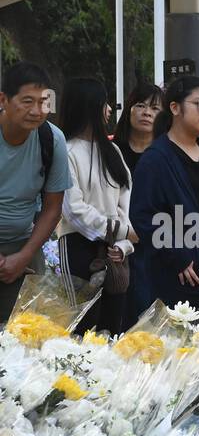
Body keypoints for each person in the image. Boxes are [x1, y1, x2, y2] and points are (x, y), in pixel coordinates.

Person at [130, 76, 199, 319]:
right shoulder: (155, 159)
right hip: (178, 276)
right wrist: (177, 256)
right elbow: (143, 215)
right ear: (175, 108)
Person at [56, 77, 135, 334]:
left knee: (113, 328)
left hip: (115, 251)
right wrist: (118, 231)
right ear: (89, 105)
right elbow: (73, 209)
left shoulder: (113, 151)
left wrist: (123, 245)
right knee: (82, 327)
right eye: (104, 103)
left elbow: (125, 202)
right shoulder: (66, 151)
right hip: (79, 246)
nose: (110, 109)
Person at [0, 62, 71, 324]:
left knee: (24, 336)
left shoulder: (51, 139)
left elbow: (53, 208)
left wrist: (23, 257)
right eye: (27, 101)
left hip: (24, 250)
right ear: (4, 100)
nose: (37, 111)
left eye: (43, 102)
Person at [113, 82, 162, 174]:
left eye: (155, 108)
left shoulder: (167, 153)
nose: (147, 113)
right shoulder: (112, 151)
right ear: (129, 110)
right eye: (141, 106)